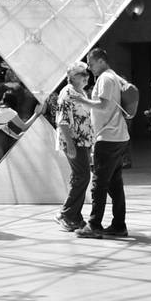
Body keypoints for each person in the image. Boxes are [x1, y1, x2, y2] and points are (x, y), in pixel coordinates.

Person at [70, 47, 133, 239]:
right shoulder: (114, 76)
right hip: (118, 136)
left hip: (108, 137)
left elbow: (104, 105)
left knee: (99, 183)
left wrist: (82, 100)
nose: (89, 68)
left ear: (100, 61)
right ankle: (118, 225)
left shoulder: (105, 78)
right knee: (115, 183)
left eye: (90, 63)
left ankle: (94, 224)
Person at [54, 63, 95, 232]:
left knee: (79, 176)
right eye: (81, 74)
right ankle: (67, 214)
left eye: (87, 73)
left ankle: (73, 215)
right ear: (71, 76)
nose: (86, 76)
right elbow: (62, 120)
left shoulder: (81, 92)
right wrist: (70, 144)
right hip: (74, 142)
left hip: (82, 141)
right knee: (83, 176)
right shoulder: (68, 92)